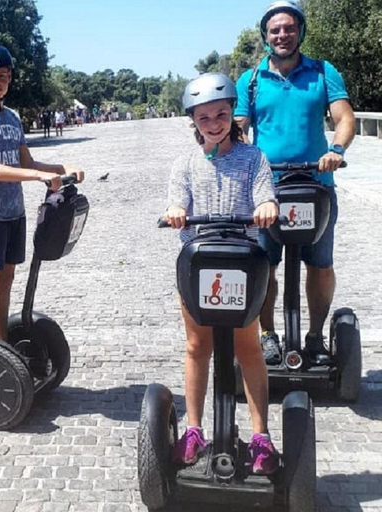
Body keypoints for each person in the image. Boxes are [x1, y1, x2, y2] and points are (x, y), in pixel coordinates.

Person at [164, 73, 280, 474]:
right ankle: (194, 428)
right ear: (193, 121)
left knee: (248, 347)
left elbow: (265, 193)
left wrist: (266, 205)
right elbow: (176, 200)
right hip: (198, 265)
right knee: (198, 346)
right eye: (204, 117)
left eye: (221, 114)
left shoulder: (254, 158)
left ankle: (261, 434)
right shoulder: (186, 163)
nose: (214, 123)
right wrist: (176, 212)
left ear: (233, 115)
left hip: (242, 265)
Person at [234, 0, 356, 365]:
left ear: (300, 31)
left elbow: (344, 117)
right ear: (266, 35)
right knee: (263, 265)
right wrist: (231, 139)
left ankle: (316, 336)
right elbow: (240, 124)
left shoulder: (322, 71)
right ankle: (268, 336)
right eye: (275, 30)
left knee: (320, 264)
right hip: (266, 189)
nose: (282, 35)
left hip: (316, 186)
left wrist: (336, 147)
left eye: (289, 28)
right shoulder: (251, 80)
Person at [0, 44, 85, 342]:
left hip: (14, 211)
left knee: (6, 280)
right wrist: (39, 176)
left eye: (2, 75)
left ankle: (1, 343)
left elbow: (26, 162)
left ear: (10, 78)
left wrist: (60, 167)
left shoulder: (13, 118)